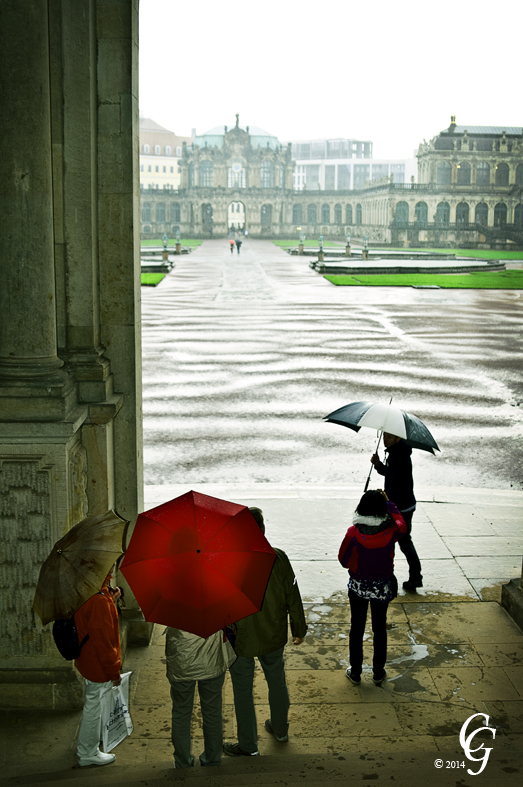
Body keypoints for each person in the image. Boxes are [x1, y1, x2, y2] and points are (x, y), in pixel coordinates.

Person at [223, 507, 307, 757]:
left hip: (242, 639)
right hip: (273, 633)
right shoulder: (278, 557)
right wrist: (298, 627)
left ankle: (248, 744)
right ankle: (280, 729)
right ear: (262, 529)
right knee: (276, 679)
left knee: (242, 690)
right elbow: (293, 593)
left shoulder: (229, 561)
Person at [338, 490, 407, 686]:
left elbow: (343, 560)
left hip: (358, 586)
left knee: (357, 628)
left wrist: (356, 566)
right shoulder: (392, 531)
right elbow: (402, 525)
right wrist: (389, 503)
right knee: (379, 628)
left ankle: (356, 672)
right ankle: (378, 672)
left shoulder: (353, 533)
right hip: (382, 586)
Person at [165, 627, 236, 769]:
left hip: (181, 658)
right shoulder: (217, 603)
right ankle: (212, 759)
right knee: (212, 711)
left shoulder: (172, 604)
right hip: (212, 657)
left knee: (181, 712)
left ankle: (182, 761)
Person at [74, 572, 122, 767]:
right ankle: (87, 751)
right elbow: (104, 642)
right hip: (97, 664)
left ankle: (90, 743)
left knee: (93, 703)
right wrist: (114, 672)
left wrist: (111, 599)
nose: (111, 573)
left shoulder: (87, 590)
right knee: (93, 706)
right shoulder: (99, 600)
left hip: (87, 659)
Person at [371, 433, 423, 591]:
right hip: (404, 505)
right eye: (385, 436)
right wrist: (379, 465)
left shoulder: (398, 456)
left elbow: (395, 485)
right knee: (404, 541)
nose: (385, 440)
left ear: (398, 439)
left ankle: (391, 578)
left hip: (399, 508)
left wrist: (386, 501)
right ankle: (414, 577)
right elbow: (390, 474)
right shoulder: (397, 453)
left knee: (396, 541)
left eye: (389, 437)